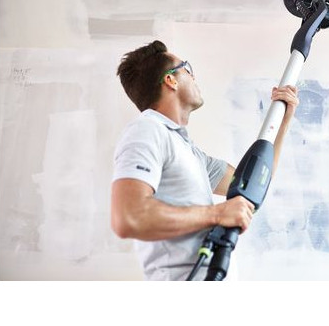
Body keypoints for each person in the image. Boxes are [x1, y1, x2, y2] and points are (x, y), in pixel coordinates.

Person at [111, 40, 299, 279]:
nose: (194, 76)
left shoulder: (189, 152)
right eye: (187, 68)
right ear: (171, 80)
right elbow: (129, 217)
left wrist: (282, 122)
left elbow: (254, 185)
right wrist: (217, 214)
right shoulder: (147, 130)